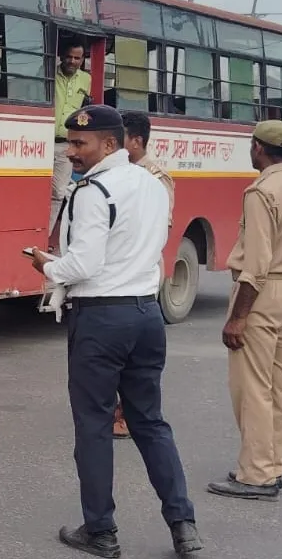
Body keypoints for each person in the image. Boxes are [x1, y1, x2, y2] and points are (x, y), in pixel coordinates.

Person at [29, 105, 202, 559]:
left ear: (110, 144)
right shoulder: (153, 184)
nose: (71, 152)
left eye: (80, 144)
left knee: (93, 426)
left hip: (102, 320)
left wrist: (47, 265)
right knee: (151, 423)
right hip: (147, 316)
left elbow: (83, 264)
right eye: (69, 143)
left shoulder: (93, 190)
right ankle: (184, 527)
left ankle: (100, 532)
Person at [206, 120, 282, 503]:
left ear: (258, 147)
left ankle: (256, 474)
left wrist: (238, 316)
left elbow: (255, 265)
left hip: (265, 293)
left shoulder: (262, 192)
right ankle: (272, 465)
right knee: (279, 386)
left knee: (251, 388)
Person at [111, 110, 176, 440]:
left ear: (136, 141)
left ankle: (130, 413)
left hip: (142, 272)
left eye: (120, 138)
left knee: (134, 354)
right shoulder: (117, 173)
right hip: (119, 271)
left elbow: (156, 232)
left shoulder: (155, 178)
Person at [51, 44, 93, 233]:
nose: (72, 61)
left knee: (58, 192)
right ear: (61, 56)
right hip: (41, 141)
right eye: (69, 57)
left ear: (82, 60)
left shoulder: (86, 79)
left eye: (77, 58)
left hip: (64, 145)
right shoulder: (49, 73)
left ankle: (46, 234)